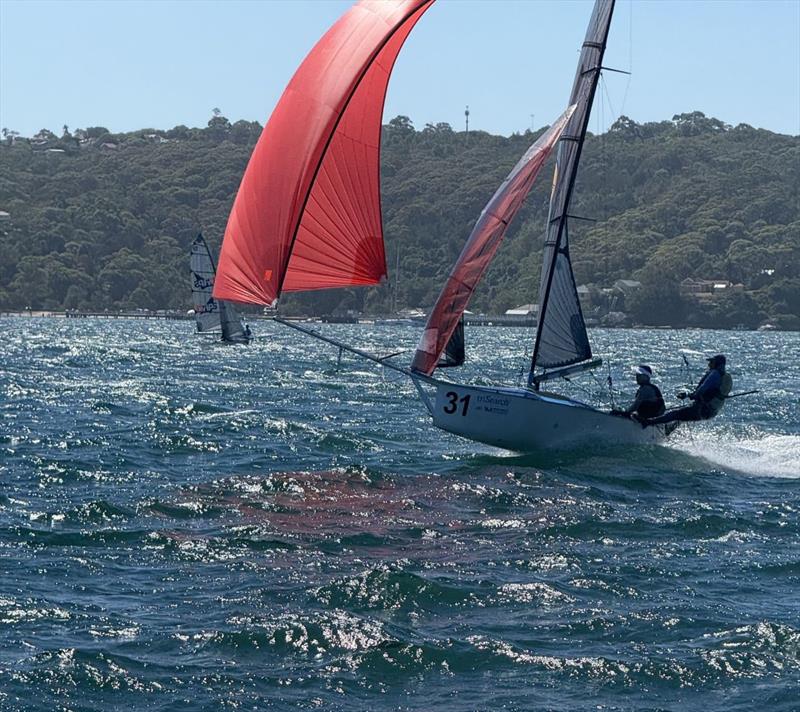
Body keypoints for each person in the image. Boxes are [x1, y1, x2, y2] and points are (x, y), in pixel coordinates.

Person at [642, 354, 732, 426]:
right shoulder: (724, 376)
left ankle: (648, 423)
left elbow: (702, 389)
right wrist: (688, 395)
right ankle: (666, 430)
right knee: (681, 415)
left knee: (675, 414)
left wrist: (692, 396)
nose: (709, 364)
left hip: (702, 410)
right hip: (711, 412)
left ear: (717, 363)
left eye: (712, 362)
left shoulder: (715, 374)